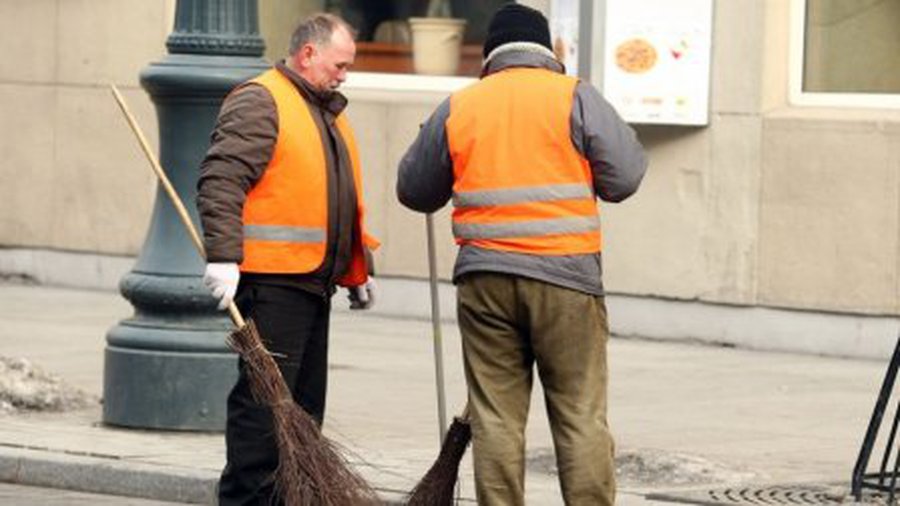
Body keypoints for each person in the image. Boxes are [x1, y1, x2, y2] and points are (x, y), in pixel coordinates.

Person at [397, 3, 647, 505]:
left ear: (490, 55)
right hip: (566, 280)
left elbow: (415, 189)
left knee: (496, 419)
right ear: (548, 51)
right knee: (579, 414)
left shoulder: (463, 105)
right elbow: (625, 176)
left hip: (485, 281)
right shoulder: (575, 96)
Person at [196, 13, 378, 505]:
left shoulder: (324, 111)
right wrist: (224, 257)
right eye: (340, 64)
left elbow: (336, 198)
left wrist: (357, 269)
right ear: (308, 54)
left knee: (301, 411)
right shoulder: (263, 100)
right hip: (273, 281)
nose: (345, 74)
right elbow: (222, 178)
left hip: (313, 281)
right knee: (265, 410)